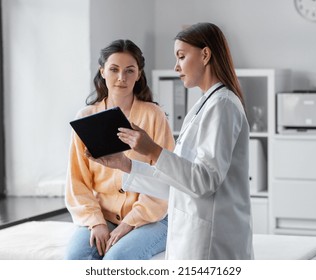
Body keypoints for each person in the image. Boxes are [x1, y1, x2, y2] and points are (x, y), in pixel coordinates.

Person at [90, 22, 254, 260]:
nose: (176, 66)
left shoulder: (223, 105)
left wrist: (153, 150)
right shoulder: (204, 105)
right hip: (192, 235)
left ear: (205, 54)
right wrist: (125, 164)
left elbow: (204, 181)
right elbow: (179, 183)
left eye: (181, 56)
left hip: (212, 243)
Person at [65, 39, 175, 260]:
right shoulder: (86, 118)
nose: (121, 78)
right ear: (102, 71)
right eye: (114, 69)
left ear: (139, 74)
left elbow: (164, 177)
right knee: (76, 258)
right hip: (102, 215)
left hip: (151, 216)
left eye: (129, 71)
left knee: (116, 260)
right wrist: (96, 222)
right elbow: (77, 181)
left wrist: (129, 223)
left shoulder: (154, 116)